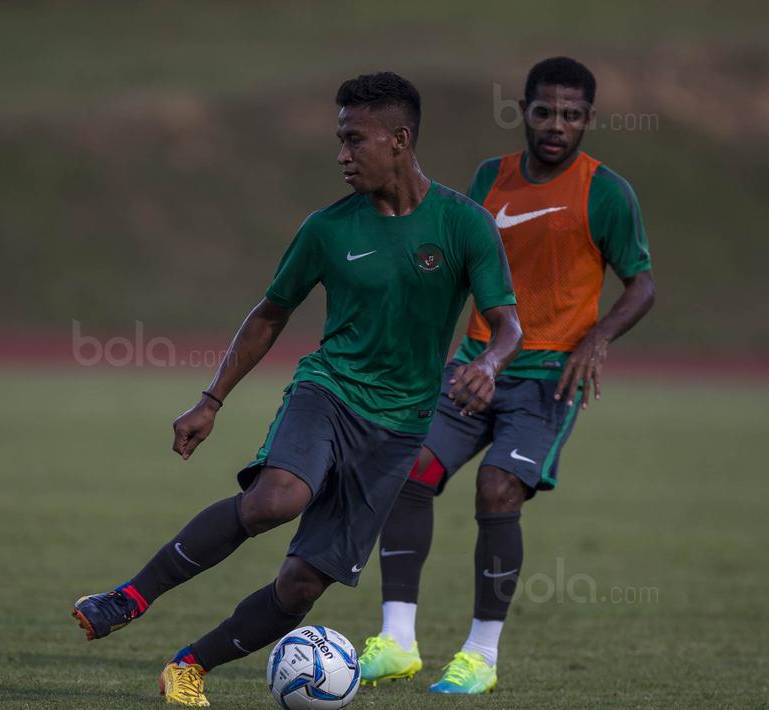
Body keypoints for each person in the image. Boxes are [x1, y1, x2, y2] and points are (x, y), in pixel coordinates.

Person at [71, 72, 523, 707]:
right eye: (338, 140)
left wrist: (492, 365)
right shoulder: (327, 229)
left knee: (302, 585)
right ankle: (129, 597)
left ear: (399, 139)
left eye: (353, 140)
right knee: (274, 499)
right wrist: (210, 400)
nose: (341, 155)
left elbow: (509, 327)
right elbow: (269, 314)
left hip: (398, 430)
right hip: (329, 392)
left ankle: (188, 667)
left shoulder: (465, 224)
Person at [357, 57, 655, 694]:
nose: (556, 125)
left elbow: (643, 283)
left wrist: (598, 338)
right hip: (475, 365)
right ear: (523, 110)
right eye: (544, 111)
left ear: (588, 120)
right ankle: (398, 641)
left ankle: (480, 657)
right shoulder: (491, 178)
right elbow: (463, 265)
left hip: (549, 377)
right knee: (412, 471)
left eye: (571, 115)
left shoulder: (606, 192)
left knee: (497, 490)